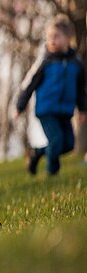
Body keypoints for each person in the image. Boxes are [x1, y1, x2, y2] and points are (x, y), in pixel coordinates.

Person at [14, 14, 86, 177]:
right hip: (46, 110)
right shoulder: (45, 61)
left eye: (56, 37)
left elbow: (81, 89)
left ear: (68, 38)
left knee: (68, 144)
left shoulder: (76, 63)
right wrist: (20, 105)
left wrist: (82, 109)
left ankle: (37, 153)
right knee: (56, 141)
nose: (51, 40)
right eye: (49, 37)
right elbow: (29, 84)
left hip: (65, 111)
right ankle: (52, 173)